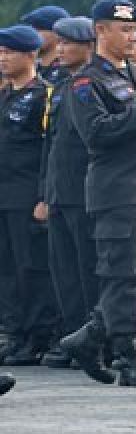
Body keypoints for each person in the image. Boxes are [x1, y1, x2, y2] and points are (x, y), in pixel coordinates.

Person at [60, 0, 136, 387]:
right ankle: (130, 355)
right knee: (121, 276)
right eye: (124, 30)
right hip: (117, 191)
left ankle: (91, 336)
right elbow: (95, 133)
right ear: (100, 31)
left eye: (134, 31)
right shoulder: (85, 81)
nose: (132, 37)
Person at [42, 17, 99, 367]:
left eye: (68, 44)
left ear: (88, 46)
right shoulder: (62, 85)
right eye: (59, 43)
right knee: (64, 271)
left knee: (87, 268)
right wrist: (46, 193)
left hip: (84, 191)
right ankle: (73, 336)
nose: (59, 50)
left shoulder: (92, 83)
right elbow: (51, 144)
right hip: (60, 191)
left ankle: (93, 340)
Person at [0, 24, 57, 366]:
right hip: (3, 193)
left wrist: (45, 195)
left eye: (9, 52)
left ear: (30, 54)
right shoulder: (4, 94)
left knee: (30, 267)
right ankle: (14, 332)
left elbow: (51, 150)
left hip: (27, 195)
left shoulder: (43, 96)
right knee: (6, 268)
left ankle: (38, 335)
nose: (2, 59)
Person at [20, 5, 72, 85]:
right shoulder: (28, 71)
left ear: (57, 33)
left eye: (38, 29)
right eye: (30, 29)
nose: (31, 34)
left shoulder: (68, 72)